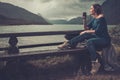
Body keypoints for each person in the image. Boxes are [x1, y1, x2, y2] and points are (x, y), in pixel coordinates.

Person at [58, 4, 111, 74]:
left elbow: (98, 31)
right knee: (85, 35)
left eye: (91, 8)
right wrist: (84, 20)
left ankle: (95, 64)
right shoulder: (94, 18)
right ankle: (68, 44)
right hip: (97, 37)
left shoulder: (101, 18)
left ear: (95, 10)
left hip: (104, 39)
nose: (90, 10)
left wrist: (86, 31)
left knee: (89, 41)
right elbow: (86, 28)